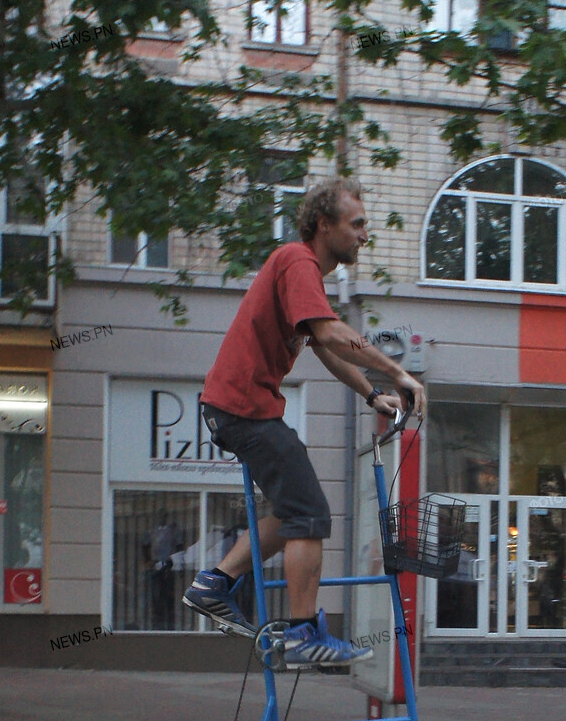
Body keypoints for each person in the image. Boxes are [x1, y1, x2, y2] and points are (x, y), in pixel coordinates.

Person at [182, 177, 426, 669]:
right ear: (323, 224)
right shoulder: (297, 260)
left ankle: (214, 583)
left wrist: (371, 393)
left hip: (240, 407)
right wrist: (398, 372)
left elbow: (324, 347)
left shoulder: (303, 274)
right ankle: (300, 635)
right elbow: (331, 333)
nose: (364, 234)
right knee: (311, 513)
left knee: (294, 513)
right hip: (244, 405)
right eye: (356, 224)